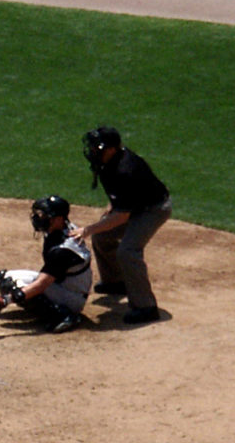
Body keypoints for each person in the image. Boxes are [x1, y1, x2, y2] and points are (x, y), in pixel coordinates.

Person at [71, 126, 171, 325]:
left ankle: (146, 307)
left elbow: (122, 217)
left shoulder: (125, 169)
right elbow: (120, 198)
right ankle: (116, 282)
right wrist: (111, 208)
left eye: (97, 148)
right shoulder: (107, 162)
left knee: (128, 251)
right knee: (102, 237)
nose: (93, 151)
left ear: (111, 149)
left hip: (153, 209)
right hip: (136, 206)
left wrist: (88, 229)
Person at [0, 195, 92, 334]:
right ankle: (50, 306)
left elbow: (41, 284)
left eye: (44, 215)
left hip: (71, 298)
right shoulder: (62, 228)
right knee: (1, 279)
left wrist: (6, 300)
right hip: (64, 286)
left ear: (58, 219)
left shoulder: (63, 250)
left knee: (11, 286)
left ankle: (63, 315)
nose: (39, 218)